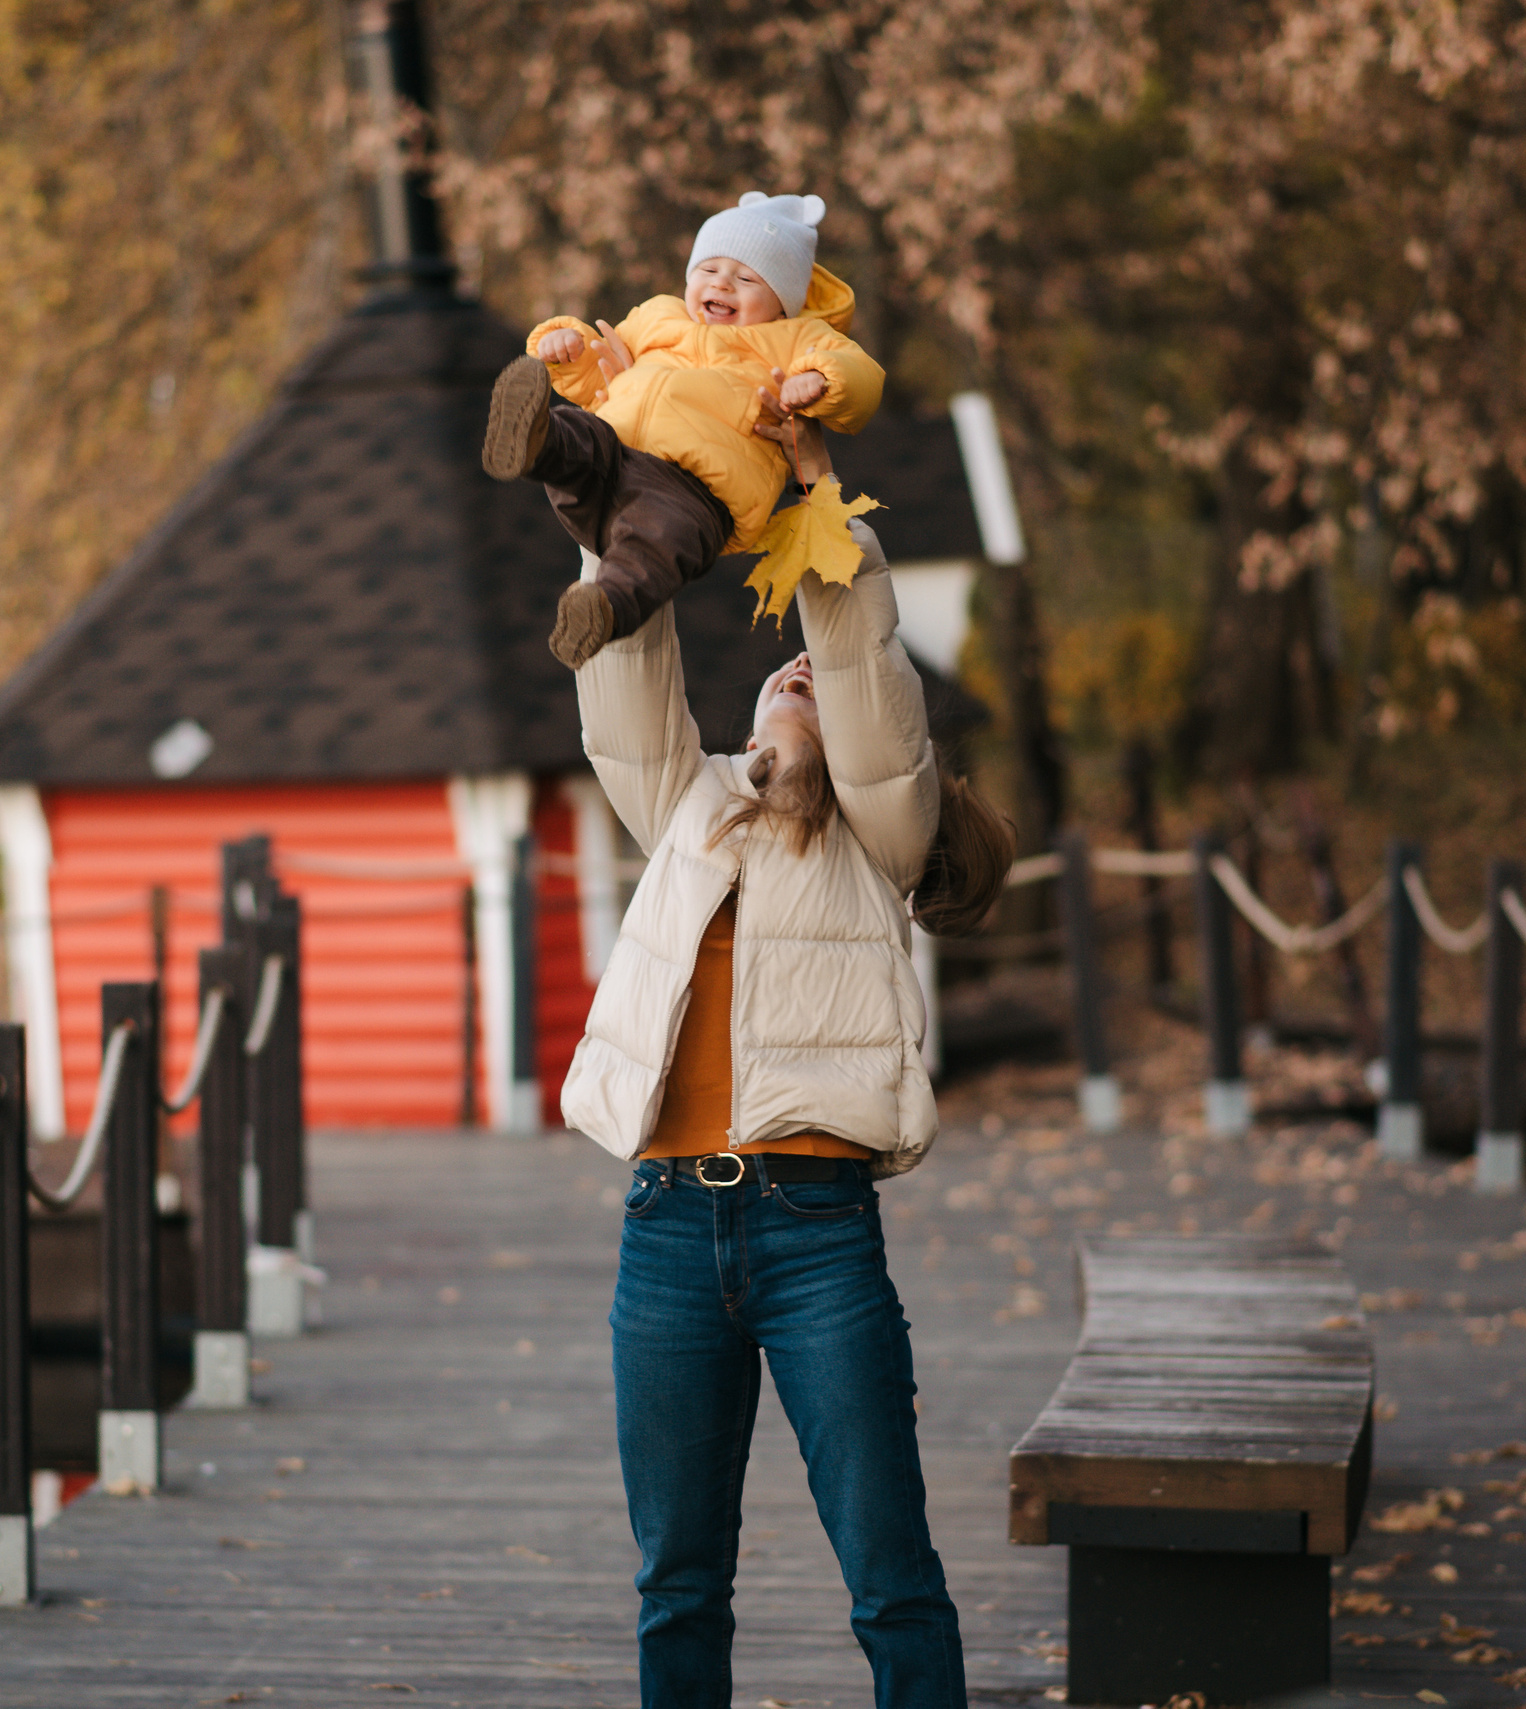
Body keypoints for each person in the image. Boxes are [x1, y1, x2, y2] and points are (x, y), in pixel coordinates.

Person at [560, 415, 1011, 1709]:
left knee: (890, 1571)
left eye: (809, 677)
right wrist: (612, 522)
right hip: (662, 1239)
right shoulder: (694, 807)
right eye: (780, 677)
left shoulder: (880, 834)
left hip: (818, 1238)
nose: (796, 680)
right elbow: (625, 695)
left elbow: (868, 683)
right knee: (679, 1580)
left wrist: (821, 505)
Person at [481, 190, 885, 669]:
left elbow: (860, 376)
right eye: (709, 270)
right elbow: (599, 371)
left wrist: (818, 380)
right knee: (580, 431)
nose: (723, 284)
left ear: (783, 303)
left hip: (694, 491)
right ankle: (534, 444)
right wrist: (567, 347)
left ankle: (603, 608)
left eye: (747, 278)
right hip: (617, 452)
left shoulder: (795, 339)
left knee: (657, 549)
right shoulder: (658, 315)